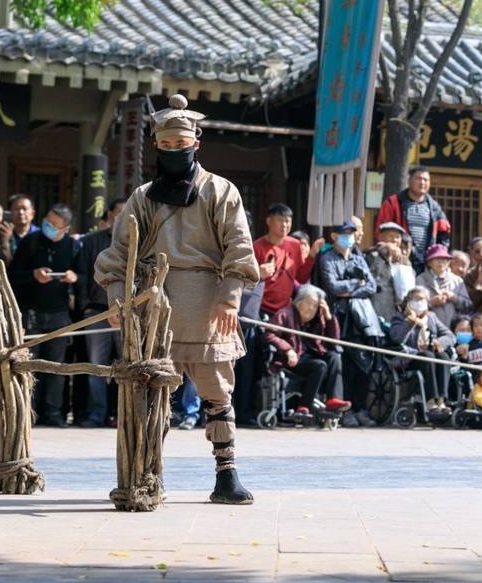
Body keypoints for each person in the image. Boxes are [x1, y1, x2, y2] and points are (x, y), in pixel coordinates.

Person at [94, 94, 260, 505]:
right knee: (152, 392)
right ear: (156, 146)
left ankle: (227, 475)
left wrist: (229, 299)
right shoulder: (142, 197)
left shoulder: (220, 190)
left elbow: (239, 248)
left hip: (208, 304)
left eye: (181, 145)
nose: (174, 151)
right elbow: (118, 252)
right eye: (166, 145)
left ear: (195, 143)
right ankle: (148, 475)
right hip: (155, 305)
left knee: (217, 394)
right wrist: (117, 296)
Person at [8, 202, 84, 428]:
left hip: (59, 314)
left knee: (55, 366)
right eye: (47, 221)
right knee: (28, 364)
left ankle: (53, 413)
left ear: (65, 228)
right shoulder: (30, 241)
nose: (48, 226)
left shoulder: (73, 246)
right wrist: (34, 275)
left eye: (54, 224)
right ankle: (27, 411)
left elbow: (84, 277)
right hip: (31, 312)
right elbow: (12, 275)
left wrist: (73, 278)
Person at [318, 220, 378, 428]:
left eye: (351, 233)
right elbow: (332, 287)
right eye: (344, 233)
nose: (349, 237)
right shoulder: (327, 258)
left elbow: (372, 286)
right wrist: (356, 284)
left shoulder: (358, 258)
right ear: (334, 236)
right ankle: (346, 411)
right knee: (344, 365)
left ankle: (360, 408)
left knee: (363, 364)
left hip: (360, 319)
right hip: (339, 317)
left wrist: (350, 292)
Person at [77, 196, 127, 428]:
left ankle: (123, 413)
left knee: (127, 366)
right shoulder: (91, 241)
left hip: (127, 314)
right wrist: (85, 304)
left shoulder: (139, 241)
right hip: (97, 312)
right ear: (109, 215)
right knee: (97, 367)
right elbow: (82, 275)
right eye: (119, 213)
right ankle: (97, 413)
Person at [263, 284, 349, 418]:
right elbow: (268, 335)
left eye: (315, 306)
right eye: (309, 303)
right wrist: (287, 349)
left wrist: (328, 317)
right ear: (298, 301)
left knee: (334, 357)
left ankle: (333, 399)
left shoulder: (317, 319)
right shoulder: (285, 314)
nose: (311, 308)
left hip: (311, 358)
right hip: (291, 362)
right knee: (320, 365)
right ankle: (303, 407)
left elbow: (334, 341)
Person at [389, 286, 455, 421]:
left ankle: (441, 401)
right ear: (408, 301)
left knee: (443, 356)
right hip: (411, 357)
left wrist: (437, 342)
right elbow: (397, 338)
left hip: (431, 355)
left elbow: (450, 336)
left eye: (423, 299)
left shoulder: (431, 317)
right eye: (416, 299)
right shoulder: (399, 318)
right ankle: (430, 401)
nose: (420, 302)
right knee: (427, 356)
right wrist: (410, 322)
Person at [374, 166, 451, 273]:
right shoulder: (394, 203)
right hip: (399, 261)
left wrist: (438, 256)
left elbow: (444, 235)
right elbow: (380, 231)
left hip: (427, 266)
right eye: (418, 178)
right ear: (409, 181)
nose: (422, 182)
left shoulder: (435, 207)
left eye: (426, 180)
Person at [416, 244, 471, 329]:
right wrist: (431, 303)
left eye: (444, 259)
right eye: (437, 259)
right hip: (427, 328)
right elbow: (413, 308)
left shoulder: (457, 281)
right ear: (429, 262)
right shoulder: (420, 280)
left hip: (452, 330)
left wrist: (454, 298)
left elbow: (468, 307)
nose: (441, 262)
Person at [0, 194, 38, 264]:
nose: (21, 212)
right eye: (17, 209)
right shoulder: (2, 233)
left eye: (25, 209)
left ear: (32, 213)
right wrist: (5, 241)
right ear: (10, 212)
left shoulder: (39, 234)